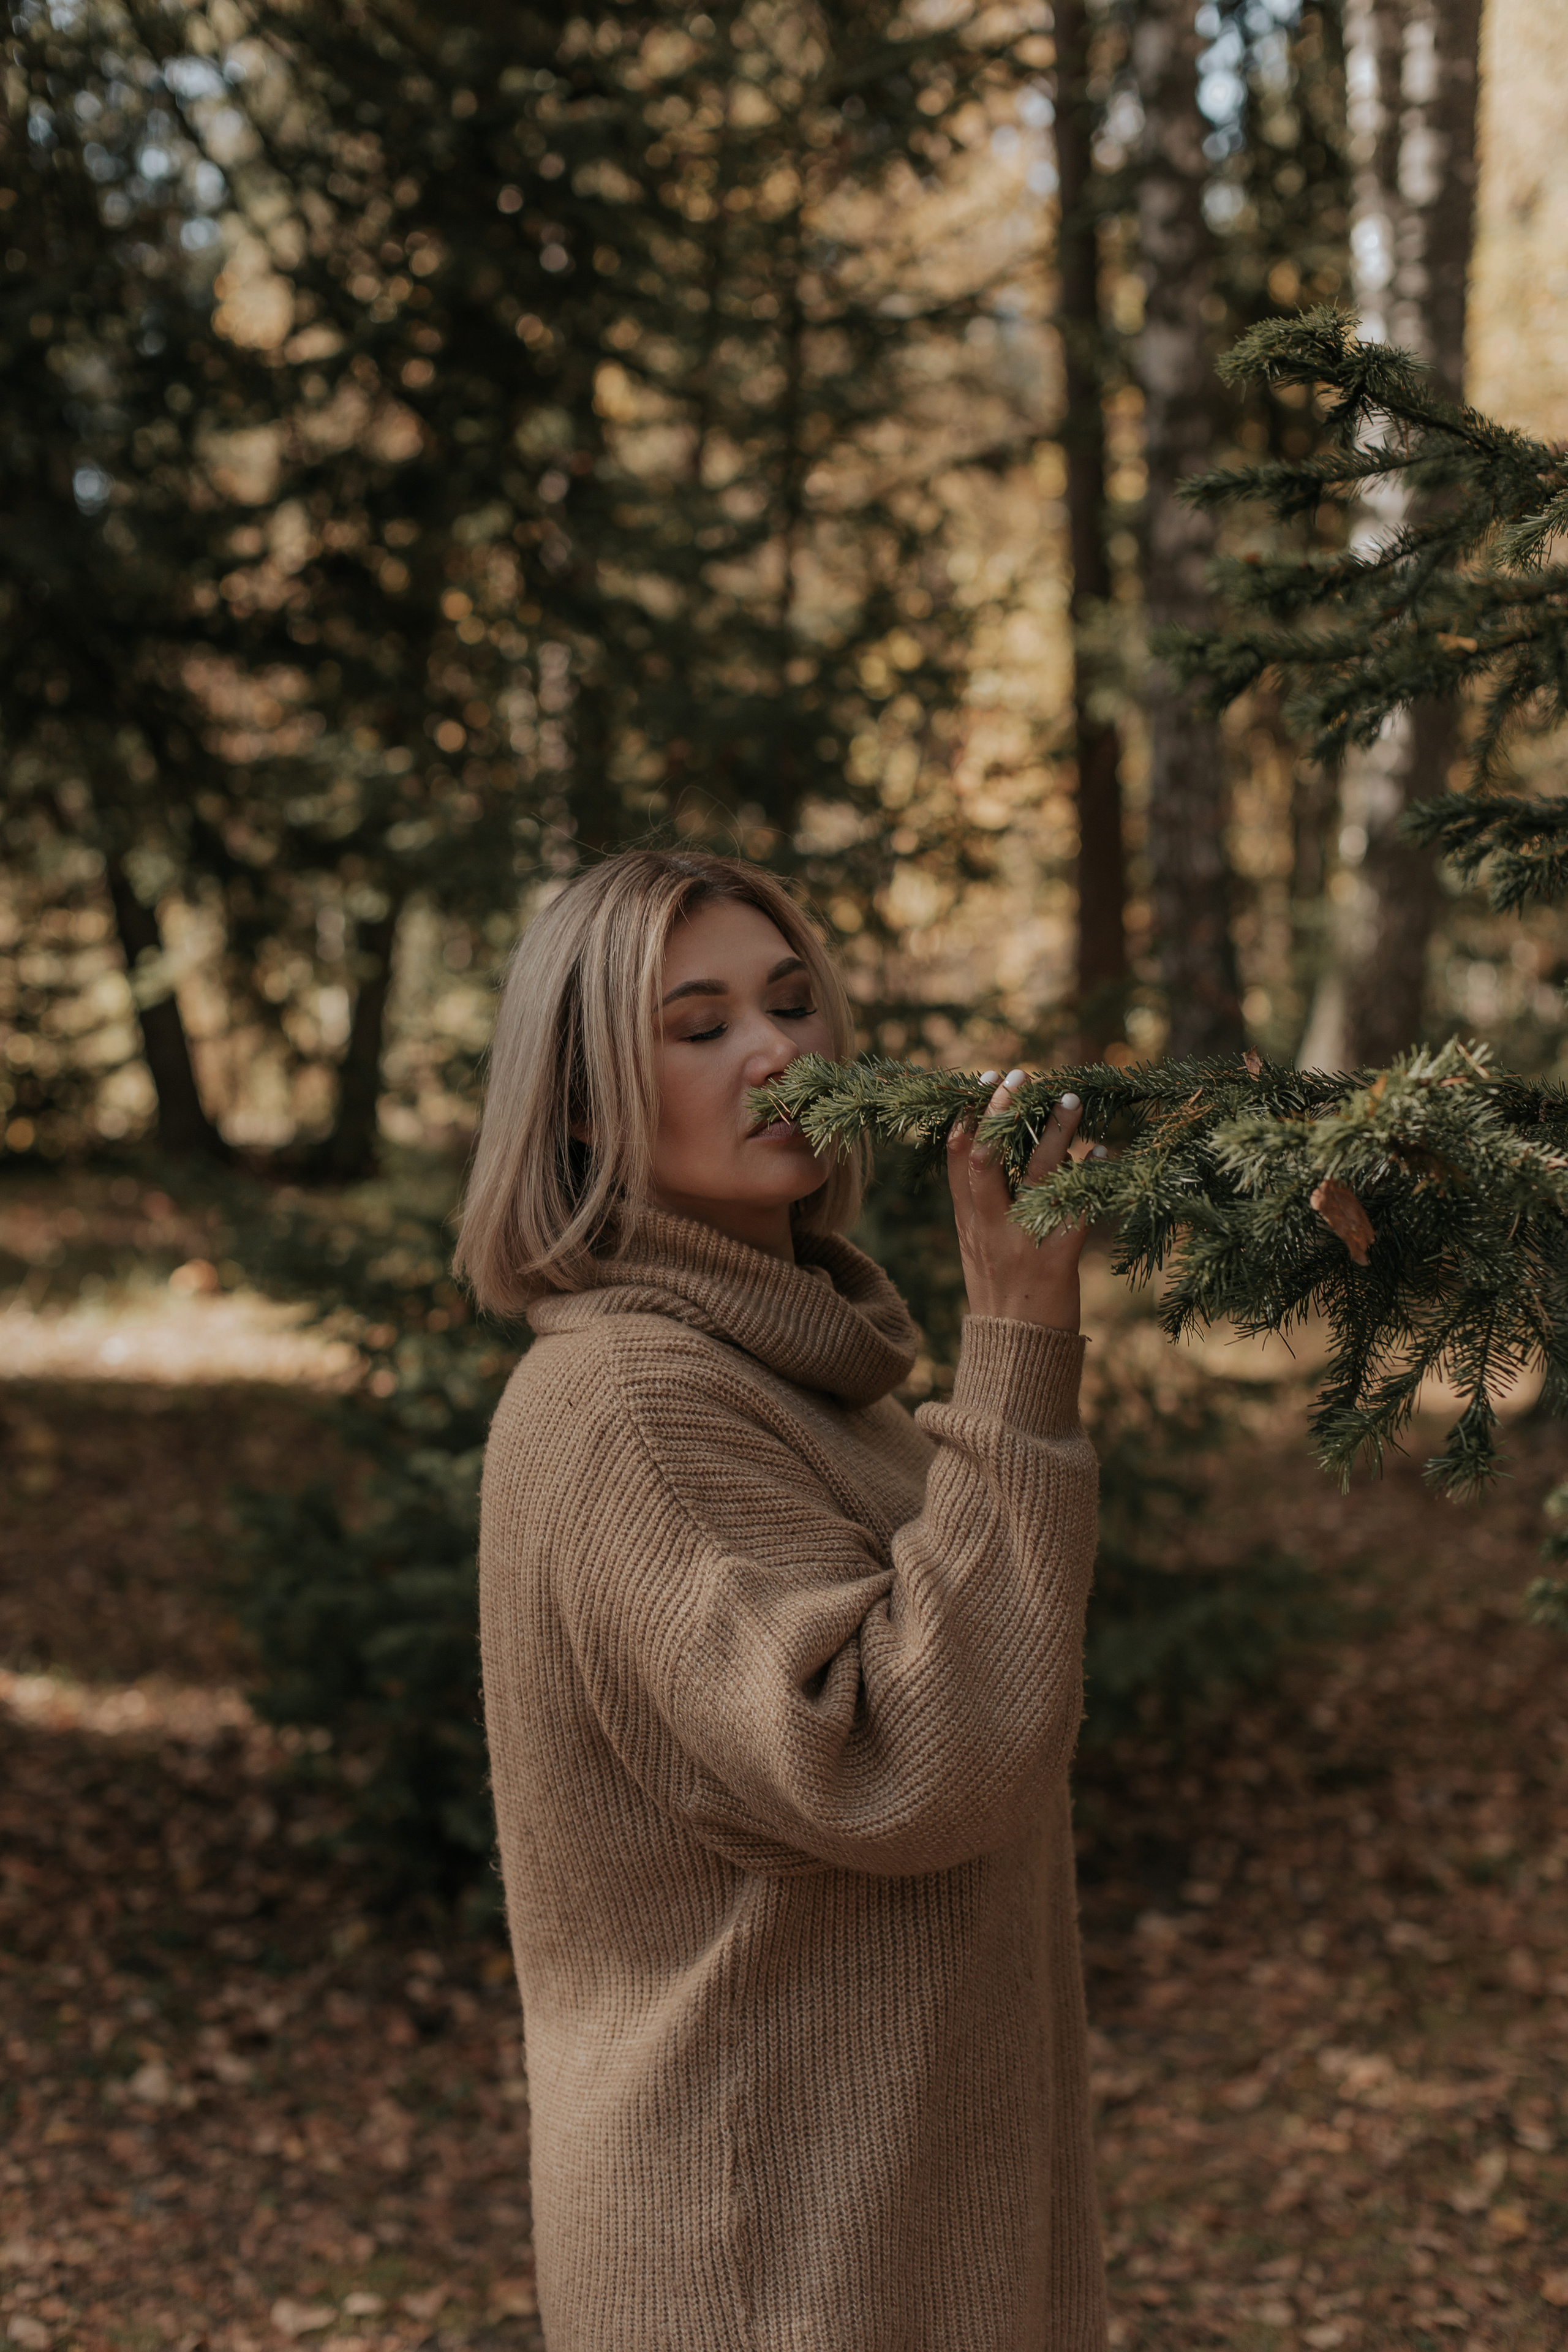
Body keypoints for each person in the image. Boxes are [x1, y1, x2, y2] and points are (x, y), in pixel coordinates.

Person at [455, 848, 1105, 2352]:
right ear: (577, 1103)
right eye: (701, 1026)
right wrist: (1015, 1344)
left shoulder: (805, 1374)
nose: (777, 1053)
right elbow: (896, 1764)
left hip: (902, 2223)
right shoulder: (633, 1404)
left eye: (794, 1003)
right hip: (766, 2257)